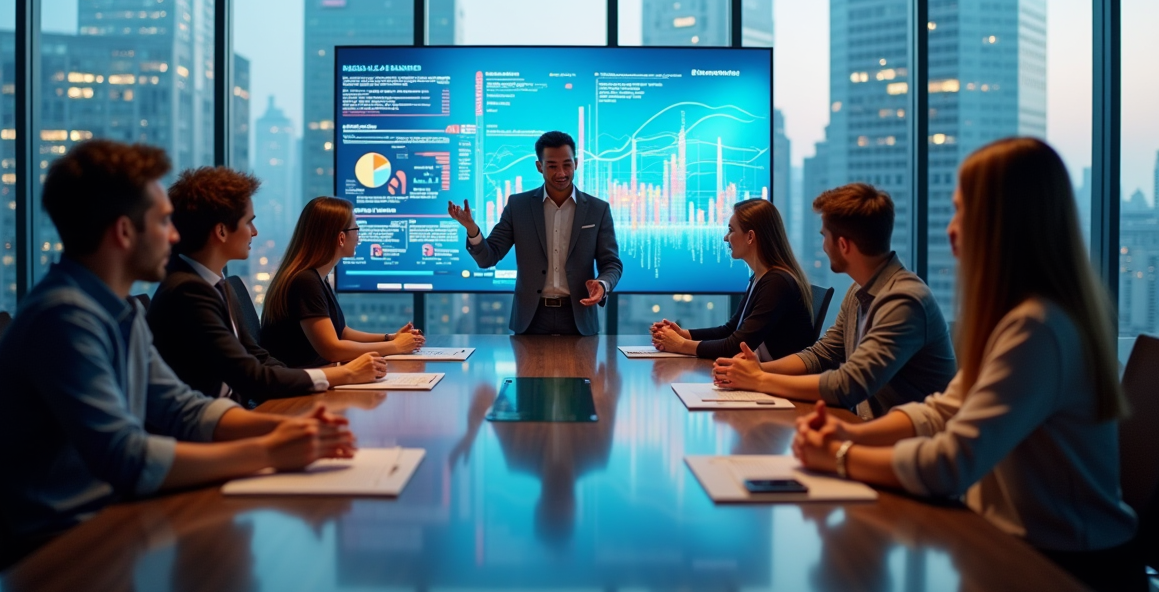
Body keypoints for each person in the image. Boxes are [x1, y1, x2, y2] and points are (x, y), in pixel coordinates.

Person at [791, 138, 1148, 592]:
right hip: (1022, 552)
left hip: (1071, 577)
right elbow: (940, 411)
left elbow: (951, 464)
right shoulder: (1019, 317)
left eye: (961, 211)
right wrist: (851, 431)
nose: (950, 228)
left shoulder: (1038, 327)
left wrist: (840, 456)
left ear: (1004, 221)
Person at [0, 140, 356, 538]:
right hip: (63, 544)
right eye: (163, 222)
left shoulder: (118, 311)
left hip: (109, 517)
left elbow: (179, 407)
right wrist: (267, 451)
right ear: (124, 232)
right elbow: (125, 457)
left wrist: (278, 432)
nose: (174, 236)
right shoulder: (64, 318)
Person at [713, 183, 955, 419]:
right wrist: (758, 370)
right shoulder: (857, 292)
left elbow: (848, 384)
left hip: (909, 446)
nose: (823, 246)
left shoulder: (905, 301)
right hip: (871, 430)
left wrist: (760, 379)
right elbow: (822, 354)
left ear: (843, 244)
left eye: (824, 236)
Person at [147, 167, 386, 406]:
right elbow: (251, 376)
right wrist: (346, 373)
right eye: (249, 222)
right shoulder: (188, 292)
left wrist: (301, 380)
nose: (254, 231)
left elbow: (258, 356)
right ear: (221, 231)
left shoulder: (217, 284)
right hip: (211, 427)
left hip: (231, 413)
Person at [447, 130, 623, 335]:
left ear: (576, 163)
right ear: (539, 167)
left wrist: (603, 284)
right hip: (531, 318)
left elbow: (611, 263)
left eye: (567, 164)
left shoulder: (597, 209)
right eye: (552, 166)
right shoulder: (518, 206)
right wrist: (471, 228)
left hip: (579, 317)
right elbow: (488, 257)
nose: (561, 173)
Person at [260, 196, 424, 368]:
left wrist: (390, 338)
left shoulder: (317, 277)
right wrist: (395, 346)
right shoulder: (305, 282)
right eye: (356, 230)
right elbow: (332, 350)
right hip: (298, 389)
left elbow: (342, 333)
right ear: (341, 238)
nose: (359, 238)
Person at [650, 198, 816, 360]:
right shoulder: (761, 278)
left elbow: (735, 346)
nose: (725, 238)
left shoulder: (776, 282)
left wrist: (680, 345)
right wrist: (684, 335)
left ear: (750, 237)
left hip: (777, 382)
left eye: (731, 230)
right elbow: (731, 330)